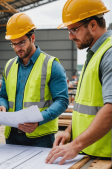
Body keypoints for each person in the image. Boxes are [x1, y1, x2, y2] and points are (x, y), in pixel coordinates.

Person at [46, 0, 111, 164]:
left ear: (93, 25)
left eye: (74, 29)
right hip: (89, 153)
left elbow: (110, 110)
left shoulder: (108, 54)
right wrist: (69, 131)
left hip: (105, 156)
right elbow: (86, 108)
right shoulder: (94, 55)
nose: (70, 36)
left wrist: (75, 145)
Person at [0, 13, 69, 148]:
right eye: (14, 44)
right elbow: (3, 96)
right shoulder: (9, 66)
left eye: (22, 42)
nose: (18, 48)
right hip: (12, 135)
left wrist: (38, 120)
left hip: (40, 137)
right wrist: (2, 105)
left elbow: (62, 101)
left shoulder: (51, 65)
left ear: (32, 38)